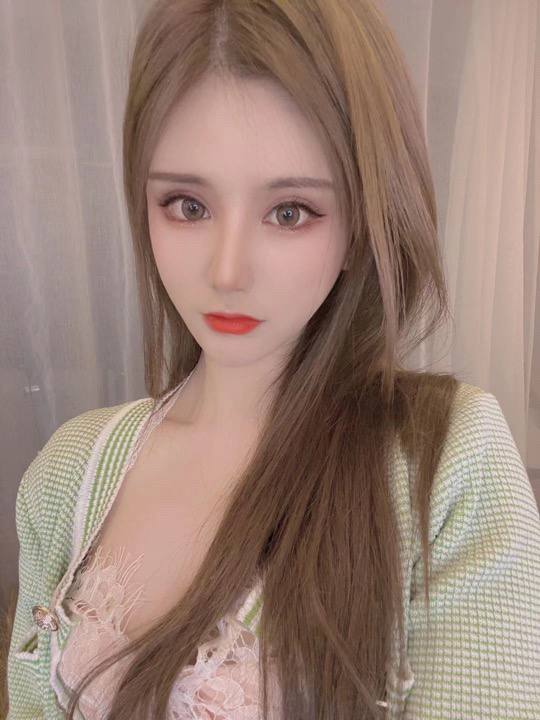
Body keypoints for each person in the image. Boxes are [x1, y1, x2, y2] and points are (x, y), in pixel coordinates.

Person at [7, 0, 540, 718]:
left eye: (289, 212)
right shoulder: (66, 475)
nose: (227, 271)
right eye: (187, 205)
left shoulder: (445, 463)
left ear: (360, 226)